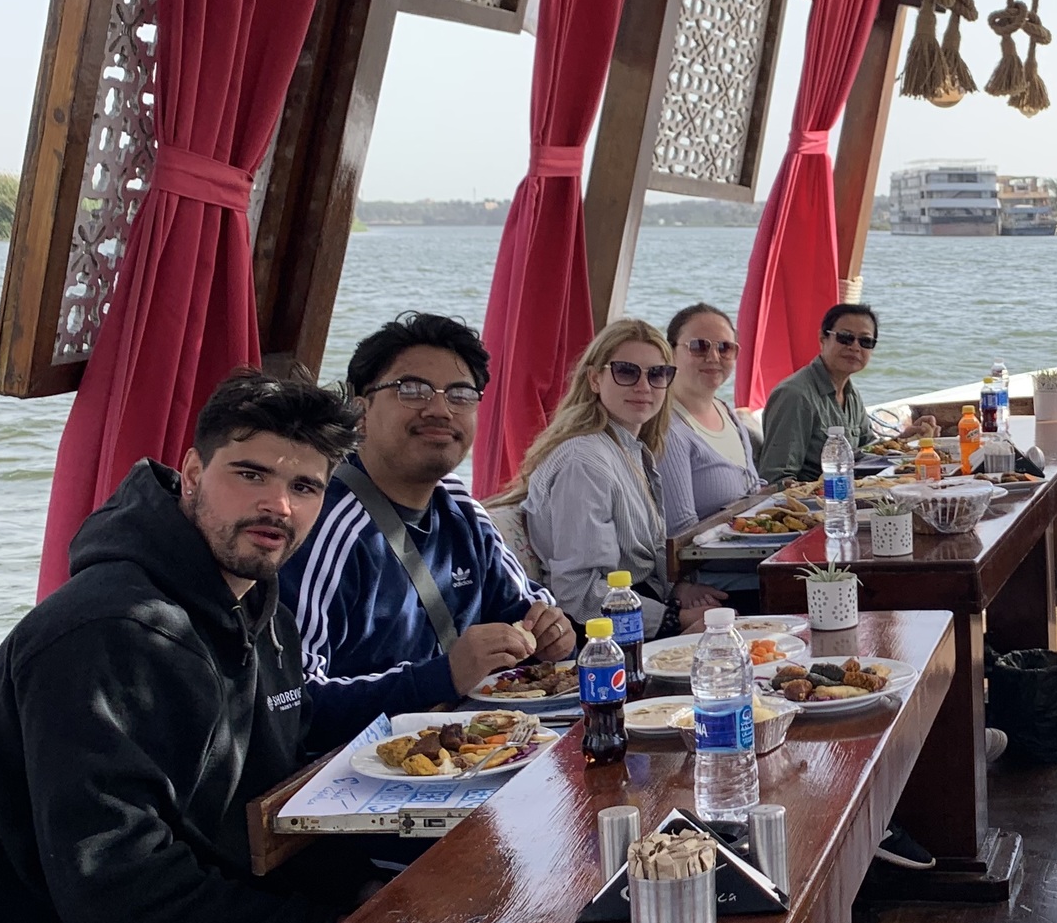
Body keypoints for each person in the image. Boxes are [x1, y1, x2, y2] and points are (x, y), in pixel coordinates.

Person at [0, 372, 376, 923]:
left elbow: (276, 800)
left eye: (305, 486)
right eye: (250, 473)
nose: (278, 503)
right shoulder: (106, 634)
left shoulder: (264, 610)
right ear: (190, 473)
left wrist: (367, 888)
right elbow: (120, 895)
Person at [281, 312, 573, 743]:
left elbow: (529, 614)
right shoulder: (324, 524)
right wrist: (442, 676)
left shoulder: (460, 509)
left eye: (460, 394)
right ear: (360, 411)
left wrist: (555, 633)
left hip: (471, 753)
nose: (439, 409)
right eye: (411, 389)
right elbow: (294, 704)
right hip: (355, 778)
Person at [508, 317, 727, 635]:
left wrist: (678, 593)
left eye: (657, 374)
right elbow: (578, 594)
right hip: (599, 634)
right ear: (595, 379)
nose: (643, 386)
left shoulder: (630, 450)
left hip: (632, 608)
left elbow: (639, 566)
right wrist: (672, 621)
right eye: (626, 372)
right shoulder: (584, 463)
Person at [660, 302, 763, 530]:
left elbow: (752, 492)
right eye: (698, 347)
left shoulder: (727, 412)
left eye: (725, 347)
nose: (714, 357)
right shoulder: (667, 428)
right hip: (708, 563)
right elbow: (680, 533)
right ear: (670, 352)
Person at [756, 301, 882, 483]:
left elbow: (867, 451)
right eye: (845, 337)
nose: (855, 347)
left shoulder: (850, 393)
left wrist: (907, 439)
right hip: (813, 504)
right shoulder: (795, 396)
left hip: (847, 493)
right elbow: (776, 478)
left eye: (865, 341)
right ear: (822, 338)